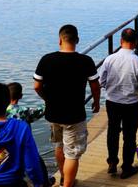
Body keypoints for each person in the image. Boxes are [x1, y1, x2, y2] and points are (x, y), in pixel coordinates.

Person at [33, 25, 101, 187]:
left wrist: (47, 98)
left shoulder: (46, 59)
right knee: (73, 153)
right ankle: (67, 185)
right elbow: (95, 86)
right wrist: (97, 102)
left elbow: (36, 86)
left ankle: (64, 177)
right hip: (75, 115)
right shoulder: (85, 61)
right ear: (77, 40)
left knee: (59, 146)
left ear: (59, 40)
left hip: (53, 114)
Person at [99, 28, 138, 179]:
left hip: (112, 102)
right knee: (129, 136)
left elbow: (101, 81)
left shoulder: (109, 59)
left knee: (112, 132)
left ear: (121, 41)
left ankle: (112, 162)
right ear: (135, 43)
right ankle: (127, 167)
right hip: (131, 103)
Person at [6, 83, 54, 187]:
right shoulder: (23, 111)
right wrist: (49, 97)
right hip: (24, 146)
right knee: (39, 164)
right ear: (21, 96)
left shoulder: (1, 112)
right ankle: (45, 183)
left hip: (7, 148)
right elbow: (43, 109)